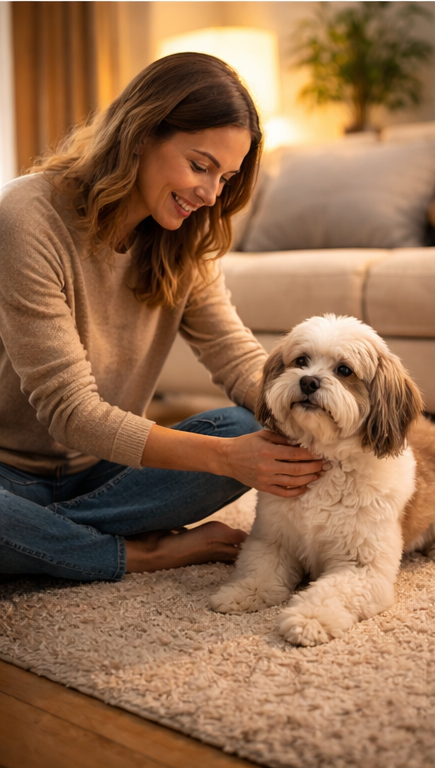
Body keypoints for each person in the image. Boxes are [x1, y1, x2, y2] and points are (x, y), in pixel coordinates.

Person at [0, 53, 323, 582]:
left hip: (108, 473)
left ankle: (44, 542)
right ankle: (140, 553)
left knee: (247, 427)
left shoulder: (187, 238)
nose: (211, 195)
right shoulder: (25, 216)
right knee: (229, 451)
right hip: (9, 472)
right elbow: (71, 412)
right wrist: (225, 460)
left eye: (225, 177)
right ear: (140, 135)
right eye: (200, 166)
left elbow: (238, 360)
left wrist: (354, 428)